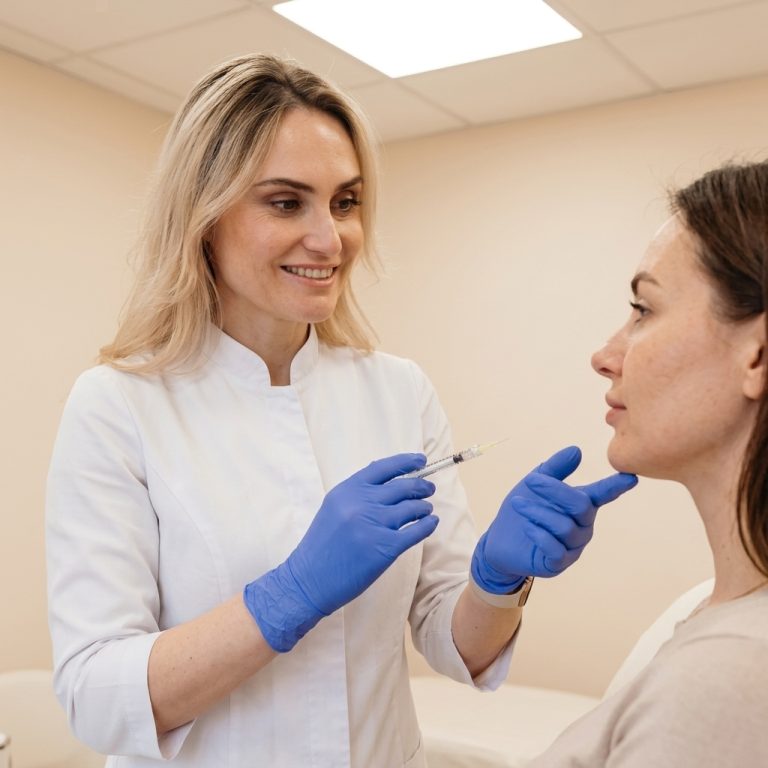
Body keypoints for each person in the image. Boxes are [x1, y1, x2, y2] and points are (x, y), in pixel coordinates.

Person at [45, 53, 636, 768]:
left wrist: (497, 579)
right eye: (286, 202)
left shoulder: (396, 389)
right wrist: (288, 596)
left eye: (346, 202)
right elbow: (96, 696)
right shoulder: (120, 406)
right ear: (204, 217)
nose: (330, 239)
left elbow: (453, 642)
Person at [528, 159, 768, 767]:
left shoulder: (728, 674)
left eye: (643, 310)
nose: (605, 356)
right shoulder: (701, 612)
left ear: (757, 356)